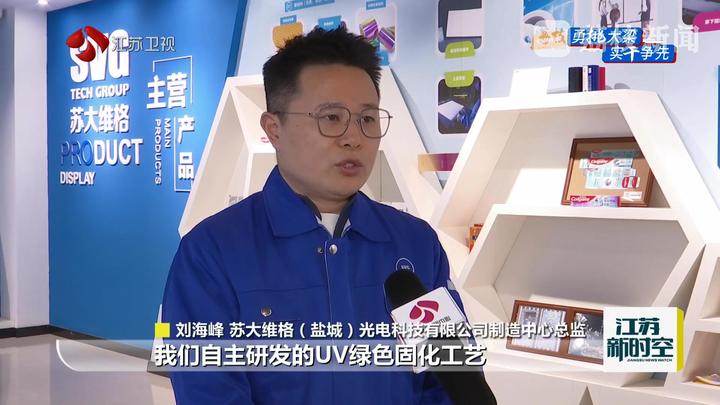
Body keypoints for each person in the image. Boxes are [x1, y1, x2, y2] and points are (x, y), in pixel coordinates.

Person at [162, 25, 494, 404]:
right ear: (273, 129)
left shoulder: (416, 243)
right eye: (332, 118)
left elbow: (451, 382)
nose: (354, 137)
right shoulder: (211, 253)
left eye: (367, 119)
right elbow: (210, 394)